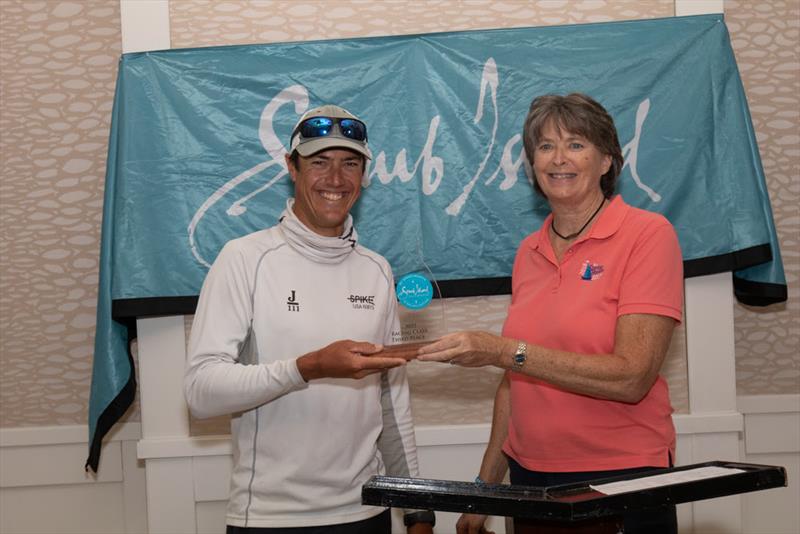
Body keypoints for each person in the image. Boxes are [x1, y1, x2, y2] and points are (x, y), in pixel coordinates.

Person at [418, 93, 683, 534]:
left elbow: (632, 377)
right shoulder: (529, 251)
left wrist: (506, 351)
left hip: (621, 478)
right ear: (532, 164)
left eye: (576, 144)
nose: (559, 158)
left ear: (606, 161)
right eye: (545, 146)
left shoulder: (648, 236)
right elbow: (515, 386)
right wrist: (487, 489)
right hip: (530, 480)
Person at [185, 104, 434, 534]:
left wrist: (417, 512)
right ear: (291, 168)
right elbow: (201, 392)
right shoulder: (244, 259)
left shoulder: (377, 269)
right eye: (319, 162)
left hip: (366, 514)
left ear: (364, 175)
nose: (335, 179)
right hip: (270, 518)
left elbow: (393, 404)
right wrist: (308, 367)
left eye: (349, 164)